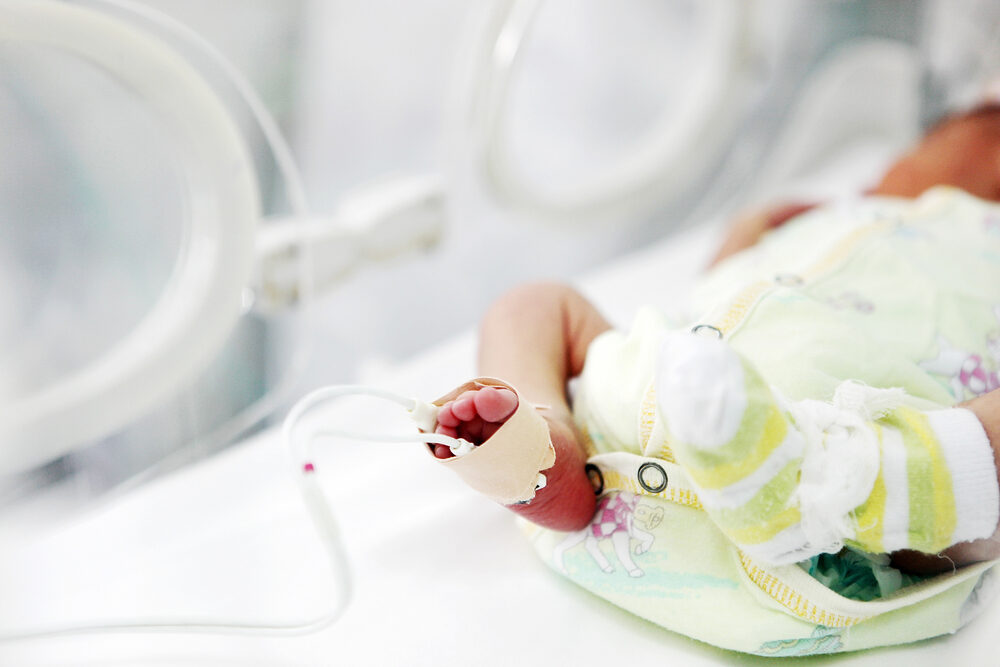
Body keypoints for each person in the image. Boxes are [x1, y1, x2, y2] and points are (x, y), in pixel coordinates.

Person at [428, 105, 1000, 574]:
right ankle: (540, 443)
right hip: (675, 383)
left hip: (865, 431)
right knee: (530, 306)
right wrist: (748, 233)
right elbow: (711, 291)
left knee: (962, 474)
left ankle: (834, 483)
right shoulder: (825, 221)